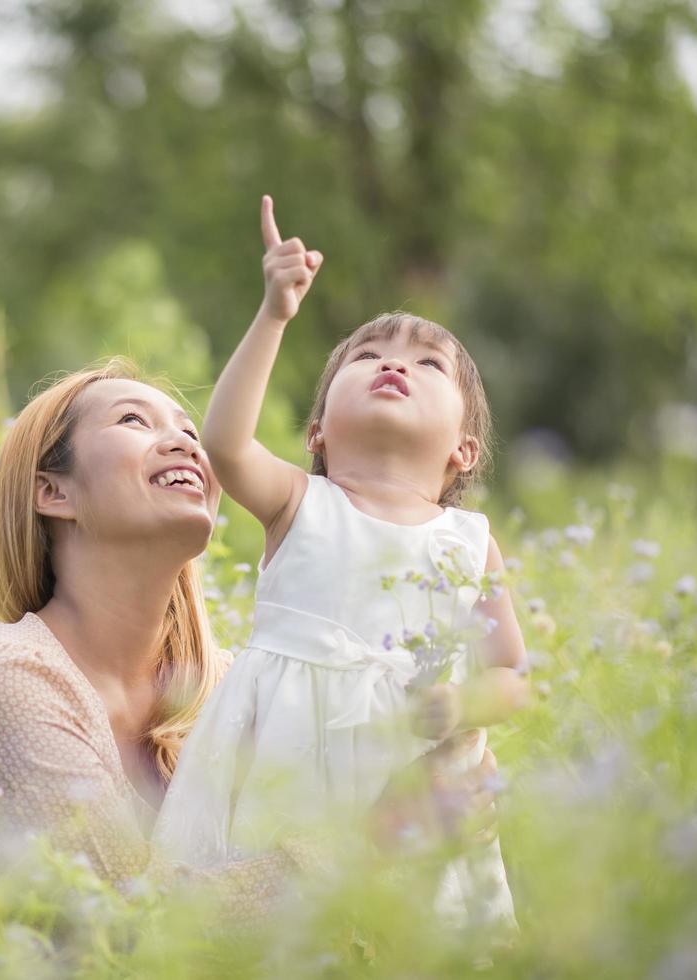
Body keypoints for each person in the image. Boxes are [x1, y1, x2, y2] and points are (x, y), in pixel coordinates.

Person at [0, 357, 505, 919]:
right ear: (53, 492)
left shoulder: (236, 694)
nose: (186, 444)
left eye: (191, 430)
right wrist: (379, 838)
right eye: (132, 421)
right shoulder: (11, 683)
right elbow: (131, 924)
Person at [151, 197, 530, 934]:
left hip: (408, 765)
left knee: (405, 935)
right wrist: (274, 314)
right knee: (274, 925)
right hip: (281, 755)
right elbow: (225, 443)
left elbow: (513, 674)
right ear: (318, 429)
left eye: (427, 364)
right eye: (366, 357)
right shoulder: (300, 503)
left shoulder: (467, 540)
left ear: (463, 450)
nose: (393, 363)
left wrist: (463, 707)